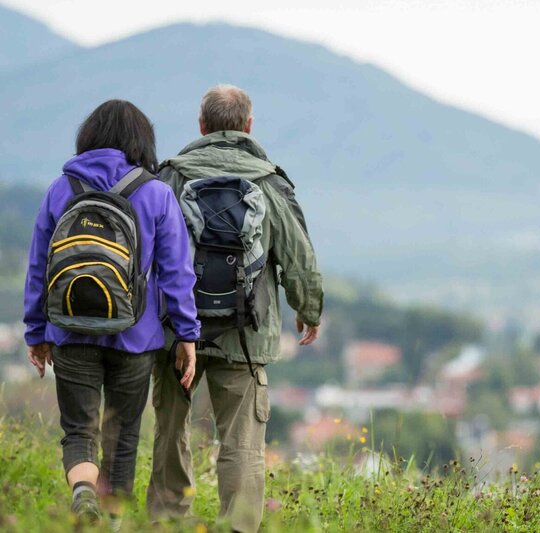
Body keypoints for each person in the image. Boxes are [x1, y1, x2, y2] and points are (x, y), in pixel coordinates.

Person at [147, 84, 323, 532]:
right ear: (248, 126)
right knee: (242, 443)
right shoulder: (268, 181)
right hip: (246, 333)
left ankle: (168, 524)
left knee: (171, 432)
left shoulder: (171, 176)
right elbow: (297, 255)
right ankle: (238, 526)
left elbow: (145, 250)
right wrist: (309, 309)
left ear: (201, 127)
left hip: (174, 331)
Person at [23, 100, 200, 525]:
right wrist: (187, 334)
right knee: (122, 441)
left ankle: (83, 490)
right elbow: (177, 272)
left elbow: (39, 266)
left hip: (69, 331)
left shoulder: (60, 189)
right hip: (135, 337)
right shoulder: (156, 193)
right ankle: (115, 523)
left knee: (80, 431)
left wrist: (36, 331)